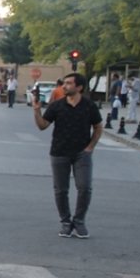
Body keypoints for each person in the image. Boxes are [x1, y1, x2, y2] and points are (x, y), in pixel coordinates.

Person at [33, 72, 102, 239]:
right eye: (64, 83)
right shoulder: (57, 106)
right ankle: (65, 222)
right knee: (61, 190)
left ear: (79, 87)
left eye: (69, 83)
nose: (64, 86)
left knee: (84, 187)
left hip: (81, 153)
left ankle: (79, 221)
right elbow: (43, 126)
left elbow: (98, 126)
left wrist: (90, 147)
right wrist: (37, 111)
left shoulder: (88, 105)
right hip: (59, 152)